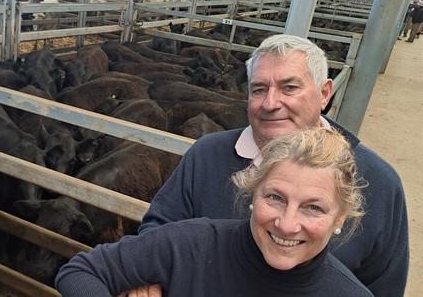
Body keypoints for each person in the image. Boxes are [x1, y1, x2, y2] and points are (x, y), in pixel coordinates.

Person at [132, 34, 408, 296]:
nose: (271, 103)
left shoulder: (377, 182)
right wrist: (150, 277)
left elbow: (384, 285)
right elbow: (159, 226)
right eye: (259, 89)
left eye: (290, 87)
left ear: (325, 94)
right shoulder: (207, 154)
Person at [55, 128, 372, 296]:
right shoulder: (189, 245)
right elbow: (80, 271)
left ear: (340, 218)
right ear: (252, 193)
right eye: (275, 197)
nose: (287, 224)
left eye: (313, 207)